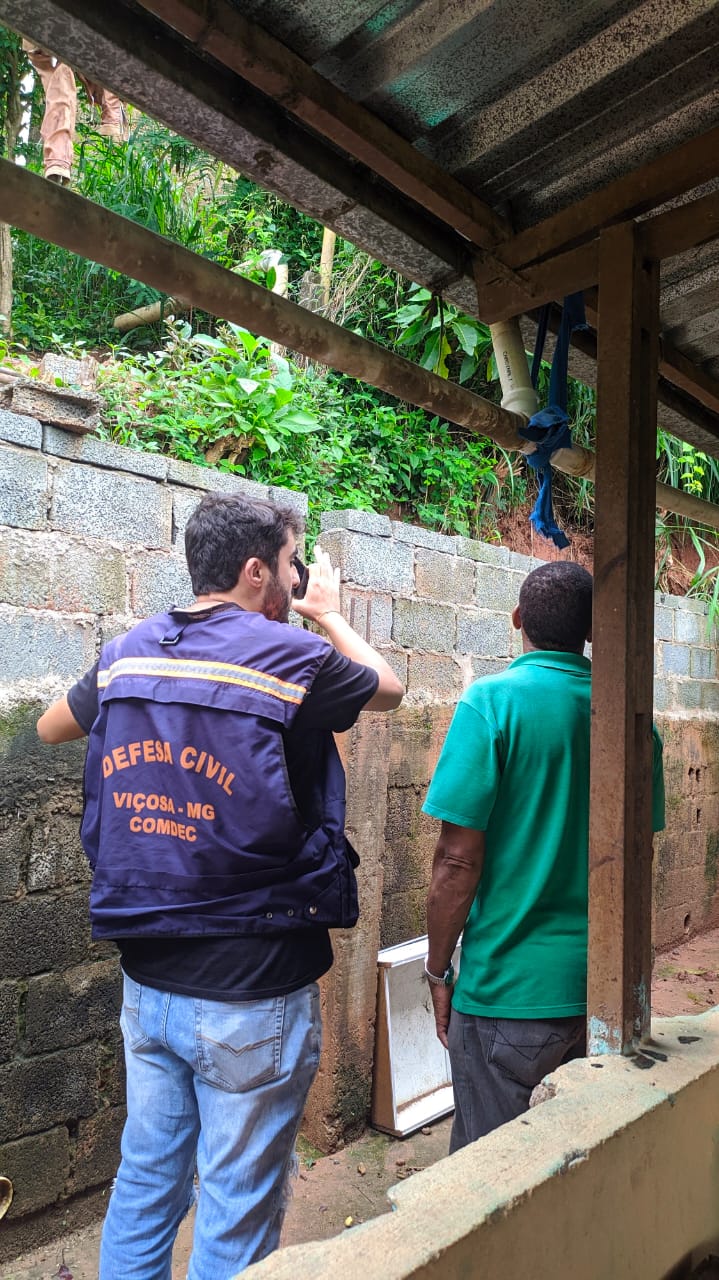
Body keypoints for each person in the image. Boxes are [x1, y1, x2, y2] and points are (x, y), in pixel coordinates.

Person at [37, 492, 403, 1279]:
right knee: (236, 1201)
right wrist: (327, 615)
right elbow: (388, 687)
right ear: (253, 570)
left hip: (150, 983)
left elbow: (50, 727)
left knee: (145, 1182)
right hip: (253, 988)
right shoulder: (287, 656)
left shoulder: (131, 650)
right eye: (287, 565)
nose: (292, 578)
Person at [422, 561, 665, 1151]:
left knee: (488, 1181)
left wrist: (436, 970)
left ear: (516, 622)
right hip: (607, 995)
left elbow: (457, 862)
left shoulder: (491, 705)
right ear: (590, 631)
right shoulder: (635, 723)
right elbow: (639, 862)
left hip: (509, 993)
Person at [23, 38, 127, 185]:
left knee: (59, 94)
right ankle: (57, 162)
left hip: (36, 39)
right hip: (63, 33)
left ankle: (57, 163)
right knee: (61, 90)